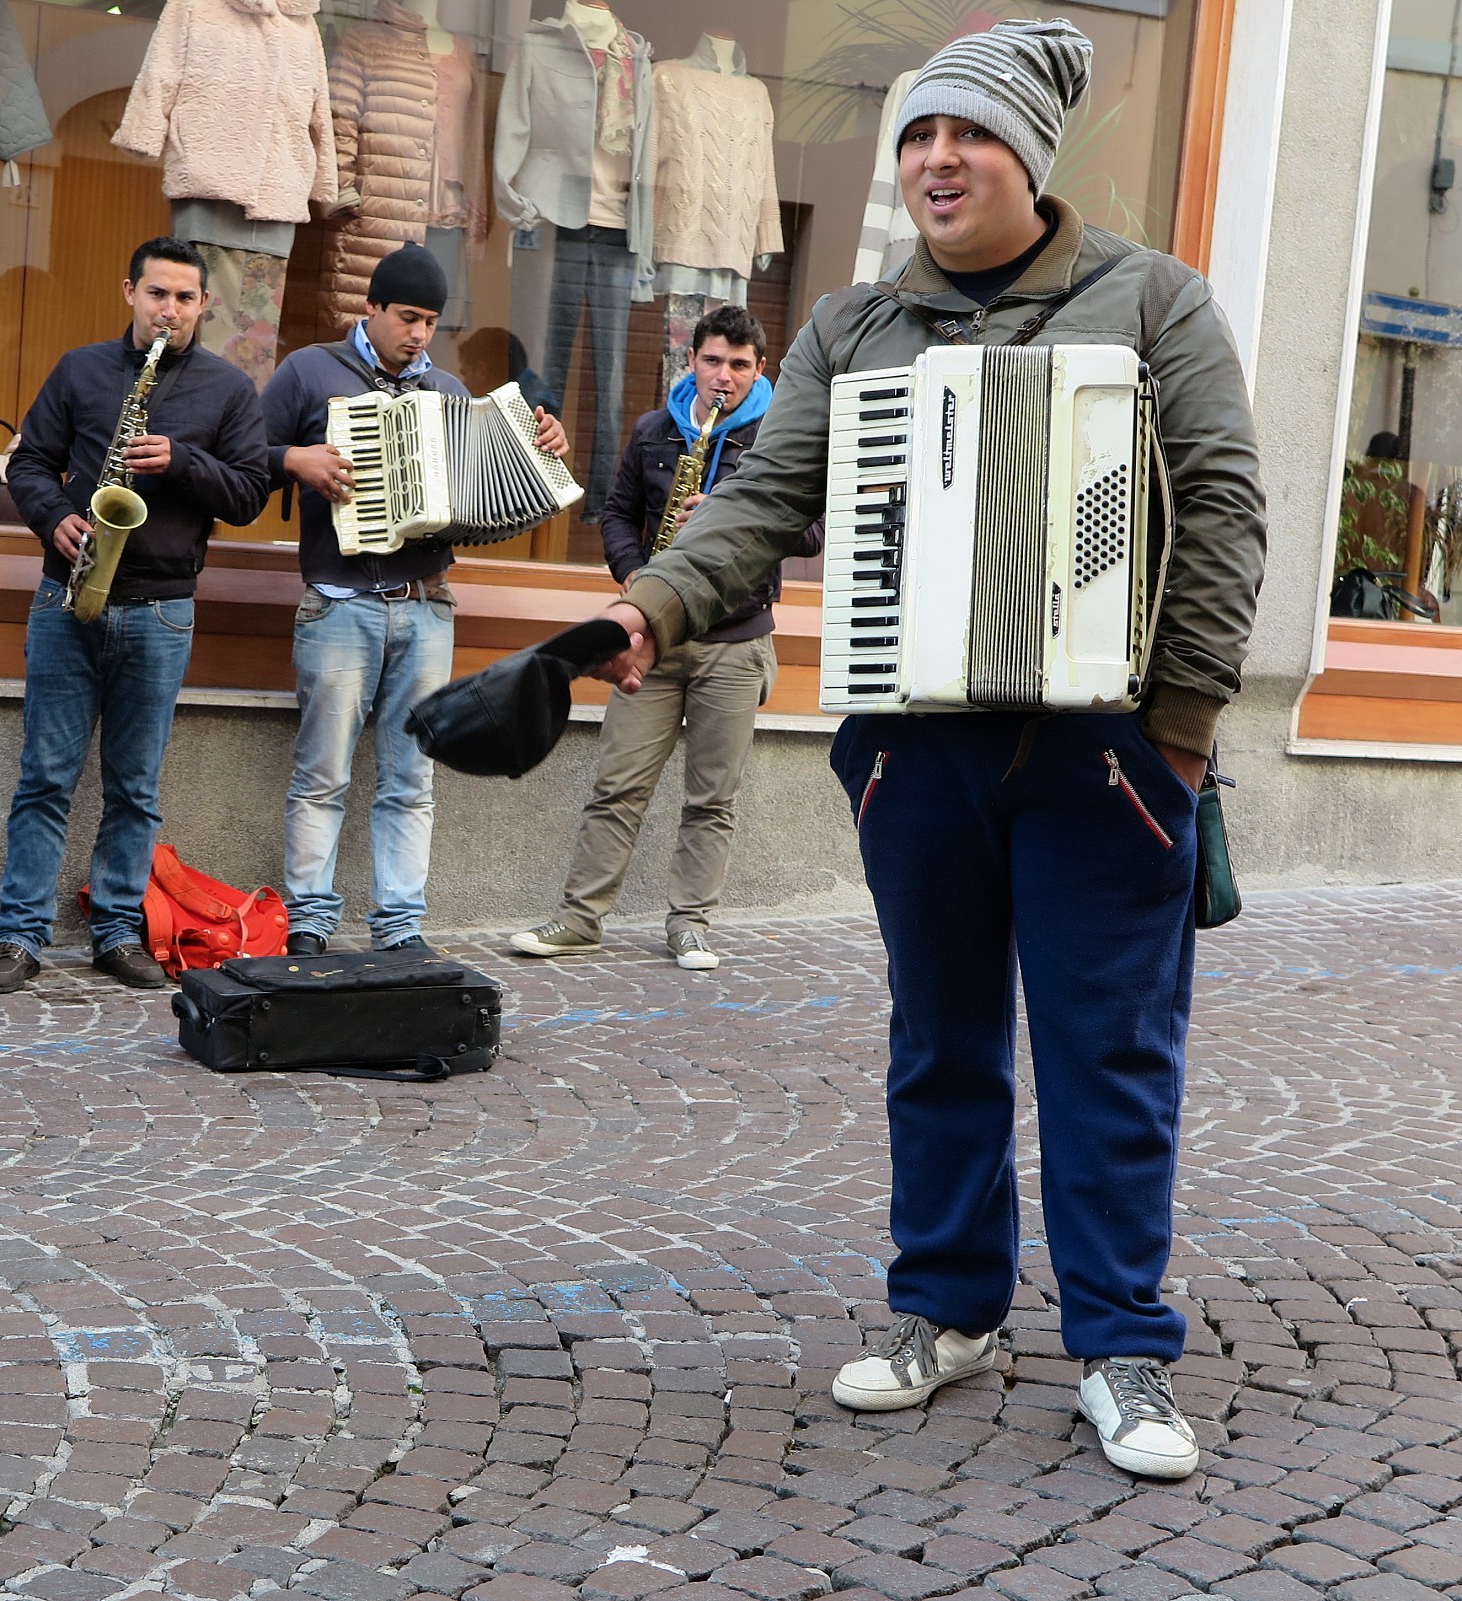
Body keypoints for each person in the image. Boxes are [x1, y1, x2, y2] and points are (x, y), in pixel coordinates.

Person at [587, 21, 1265, 1478]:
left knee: (1111, 1054)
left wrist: (1184, 737)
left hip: (1105, 755)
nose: (937, 160)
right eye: (916, 138)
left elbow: (1218, 508)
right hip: (915, 747)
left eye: (967, 135)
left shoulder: (1154, 301)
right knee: (938, 1040)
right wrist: (652, 603)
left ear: (1030, 155)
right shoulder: (851, 327)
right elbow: (768, 496)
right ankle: (946, 1311)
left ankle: (1124, 1350)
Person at [0, 238, 270, 994]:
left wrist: (184, 462)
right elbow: (30, 465)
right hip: (67, 598)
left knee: (135, 787)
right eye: (156, 294)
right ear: (129, 293)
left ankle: (116, 929)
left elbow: (247, 495)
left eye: (183, 298)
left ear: (204, 305)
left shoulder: (228, 390)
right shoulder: (80, 370)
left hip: (162, 609)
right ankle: (20, 936)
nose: (169, 310)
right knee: (44, 777)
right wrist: (55, 521)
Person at [263, 244, 568, 955]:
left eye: (431, 321)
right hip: (339, 603)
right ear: (370, 309)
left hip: (427, 603)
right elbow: (243, 450)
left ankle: (400, 927)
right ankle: (308, 922)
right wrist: (294, 459)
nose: (419, 334)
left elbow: (498, 480)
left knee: (412, 776)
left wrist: (543, 443)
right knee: (322, 775)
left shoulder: (451, 394)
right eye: (407, 317)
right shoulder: (311, 370)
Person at [511, 305, 814, 971]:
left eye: (739, 365)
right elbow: (617, 513)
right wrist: (636, 576)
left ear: (760, 370)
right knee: (617, 784)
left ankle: (691, 924)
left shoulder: (779, 443)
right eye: (712, 361)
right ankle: (580, 918)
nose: (723, 376)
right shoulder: (654, 431)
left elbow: (813, 534)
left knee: (712, 795)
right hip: (651, 638)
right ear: (693, 361)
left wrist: (740, 513)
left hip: (734, 640)